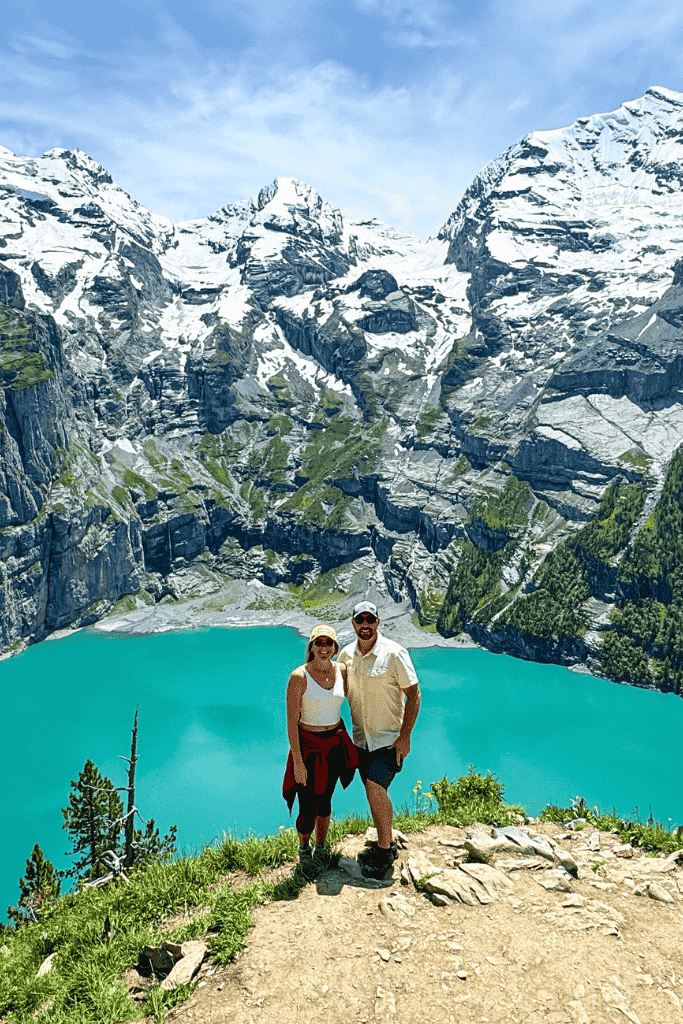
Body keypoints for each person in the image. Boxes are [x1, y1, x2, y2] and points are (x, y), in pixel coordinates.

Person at [338, 601, 421, 879]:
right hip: (362, 741)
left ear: (378, 622)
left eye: (370, 620)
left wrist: (405, 736)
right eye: (359, 620)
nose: (365, 625)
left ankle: (384, 852)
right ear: (353, 624)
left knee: (375, 787)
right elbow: (333, 691)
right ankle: (386, 841)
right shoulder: (347, 657)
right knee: (374, 794)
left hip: (389, 741)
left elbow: (414, 694)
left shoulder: (394, 653)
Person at [282, 624, 359, 867]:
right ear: (311, 647)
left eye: (329, 643)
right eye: (319, 643)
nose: (324, 648)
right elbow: (292, 722)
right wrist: (297, 762)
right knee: (307, 804)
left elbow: (361, 695)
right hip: (308, 746)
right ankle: (304, 848)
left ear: (335, 648)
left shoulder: (342, 670)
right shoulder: (299, 677)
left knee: (325, 800)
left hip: (334, 742)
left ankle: (321, 847)